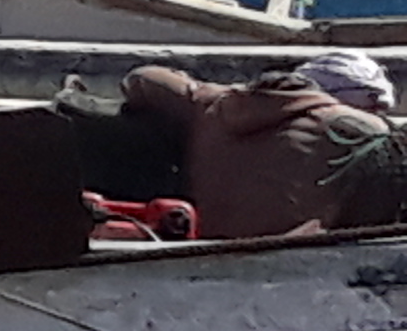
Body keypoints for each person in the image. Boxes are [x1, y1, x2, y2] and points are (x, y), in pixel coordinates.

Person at [118, 54, 407, 242]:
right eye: (376, 108)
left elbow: (142, 78)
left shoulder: (217, 106)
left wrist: (216, 94)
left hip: (205, 244)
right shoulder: (361, 136)